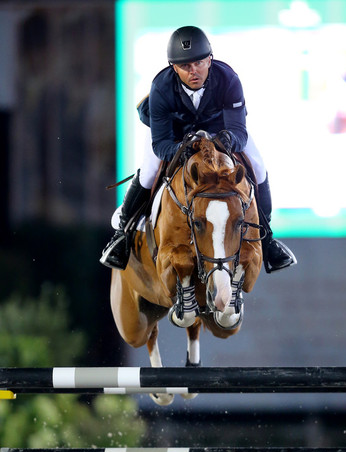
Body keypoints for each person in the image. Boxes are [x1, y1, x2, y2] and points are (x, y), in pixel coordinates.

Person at [100, 25, 296, 273]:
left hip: (218, 129)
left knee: (257, 165)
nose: (194, 71)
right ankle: (122, 235)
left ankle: (267, 240)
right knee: (149, 170)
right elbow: (161, 145)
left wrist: (225, 141)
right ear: (174, 67)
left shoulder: (228, 79)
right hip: (175, 133)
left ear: (210, 59)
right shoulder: (160, 87)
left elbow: (238, 130)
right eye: (185, 66)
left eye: (200, 63)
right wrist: (180, 150)